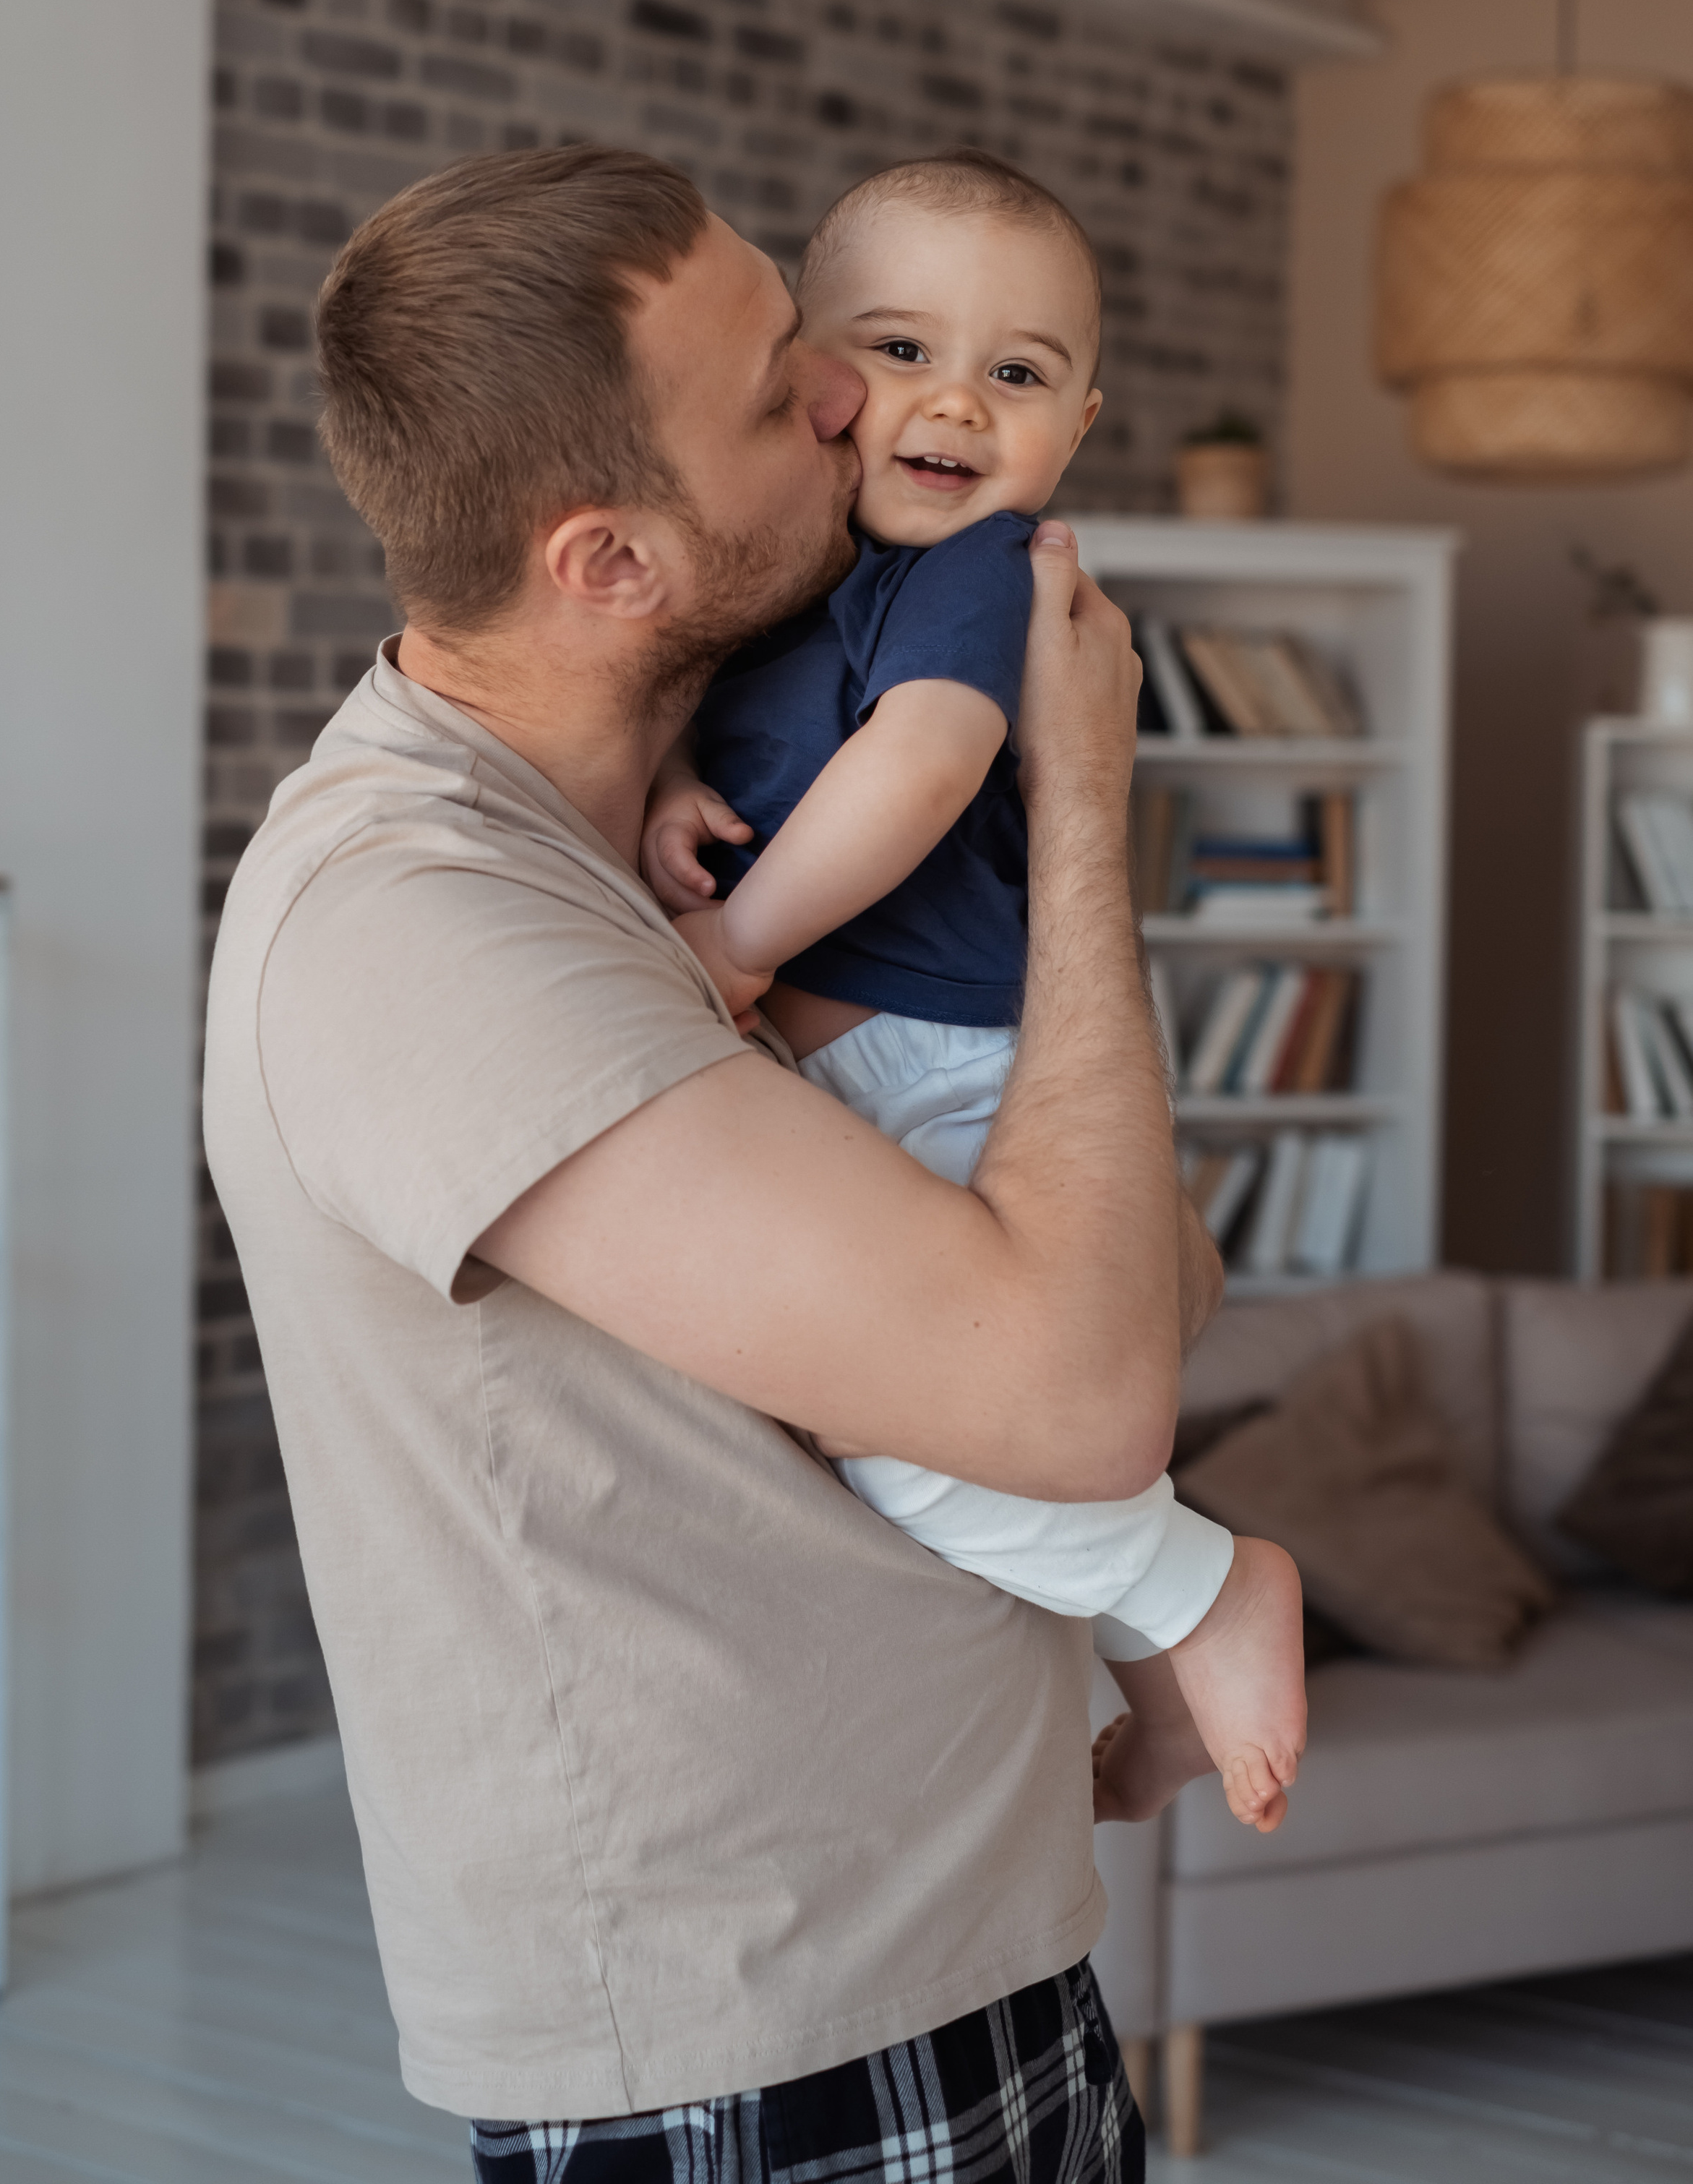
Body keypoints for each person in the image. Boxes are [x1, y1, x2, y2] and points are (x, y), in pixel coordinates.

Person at [202, 145, 1222, 2184]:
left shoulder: (709, 816)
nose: (860, 401)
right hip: (755, 2021)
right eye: (786, 389)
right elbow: (1087, 1385)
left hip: (961, 1918)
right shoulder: (422, 923)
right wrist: (1085, 795)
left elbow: (1144, 1284)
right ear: (610, 562)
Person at [642, 151, 1306, 1837]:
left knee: (928, 1425)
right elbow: (746, 747)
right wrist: (665, 790)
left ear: (1077, 420)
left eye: (1014, 373)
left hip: (944, 1051)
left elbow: (925, 765)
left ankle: (1196, 1592)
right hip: (854, 1070)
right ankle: (1151, 1708)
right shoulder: (797, 586)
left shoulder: (973, 574)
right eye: (900, 349)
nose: (953, 403)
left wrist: (737, 943)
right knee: (914, 1433)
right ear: (806, 380)